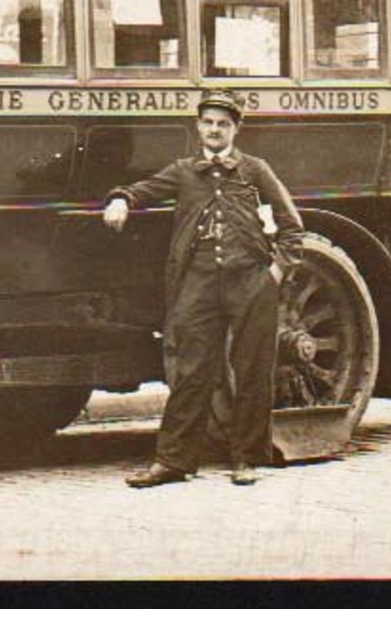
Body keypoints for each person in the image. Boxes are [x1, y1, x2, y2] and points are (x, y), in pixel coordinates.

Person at [102, 89, 303, 487]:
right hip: (199, 282)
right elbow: (145, 189)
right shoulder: (184, 171)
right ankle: (173, 462)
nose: (215, 130)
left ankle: (246, 459)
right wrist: (121, 199)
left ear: (235, 129)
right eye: (208, 123)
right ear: (198, 127)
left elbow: (291, 227)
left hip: (250, 281)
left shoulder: (255, 171)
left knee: (250, 371)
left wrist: (275, 274)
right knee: (192, 370)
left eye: (223, 124)